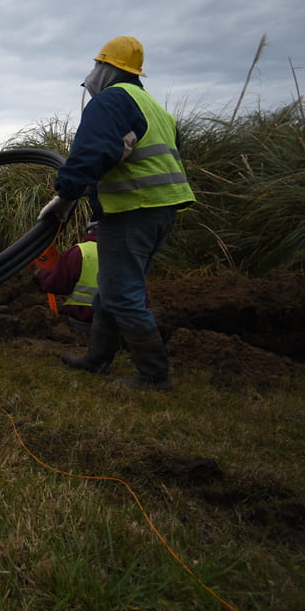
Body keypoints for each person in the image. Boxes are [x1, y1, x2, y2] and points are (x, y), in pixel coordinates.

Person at [42, 36, 195, 390]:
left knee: (123, 293)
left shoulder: (111, 101)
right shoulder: (152, 106)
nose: (92, 74)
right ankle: (98, 358)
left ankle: (154, 376)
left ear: (109, 68)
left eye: (97, 65)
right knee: (111, 288)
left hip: (132, 208)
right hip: (161, 209)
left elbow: (91, 152)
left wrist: (66, 197)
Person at [36, 222, 99, 333]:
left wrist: (41, 274)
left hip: (82, 325)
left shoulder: (79, 252)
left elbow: (55, 284)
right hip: (119, 327)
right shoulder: (128, 254)